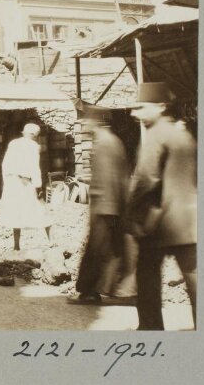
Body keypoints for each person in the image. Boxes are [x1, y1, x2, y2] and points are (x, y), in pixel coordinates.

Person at [126, 82, 197, 330]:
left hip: (161, 224)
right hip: (191, 222)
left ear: (161, 107)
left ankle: (150, 331)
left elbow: (146, 179)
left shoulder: (156, 134)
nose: (136, 114)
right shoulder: (183, 134)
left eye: (142, 108)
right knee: (196, 282)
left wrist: (131, 215)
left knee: (146, 277)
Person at [68, 106, 130, 305]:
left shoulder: (105, 144)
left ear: (98, 122)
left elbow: (109, 178)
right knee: (110, 250)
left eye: (87, 121)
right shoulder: (111, 142)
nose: (85, 124)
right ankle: (117, 290)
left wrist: (109, 209)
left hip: (105, 206)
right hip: (109, 205)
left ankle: (88, 292)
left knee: (96, 250)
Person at [0, 123, 52, 251]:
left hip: (12, 181)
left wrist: (7, 181)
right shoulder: (34, 146)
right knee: (40, 209)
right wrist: (38, 186)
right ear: (34, 135)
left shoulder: (13, 143)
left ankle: (16, 245)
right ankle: (51, 240)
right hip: (25, 182)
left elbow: (5, 164)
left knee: (16, 213)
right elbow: (35, 167)